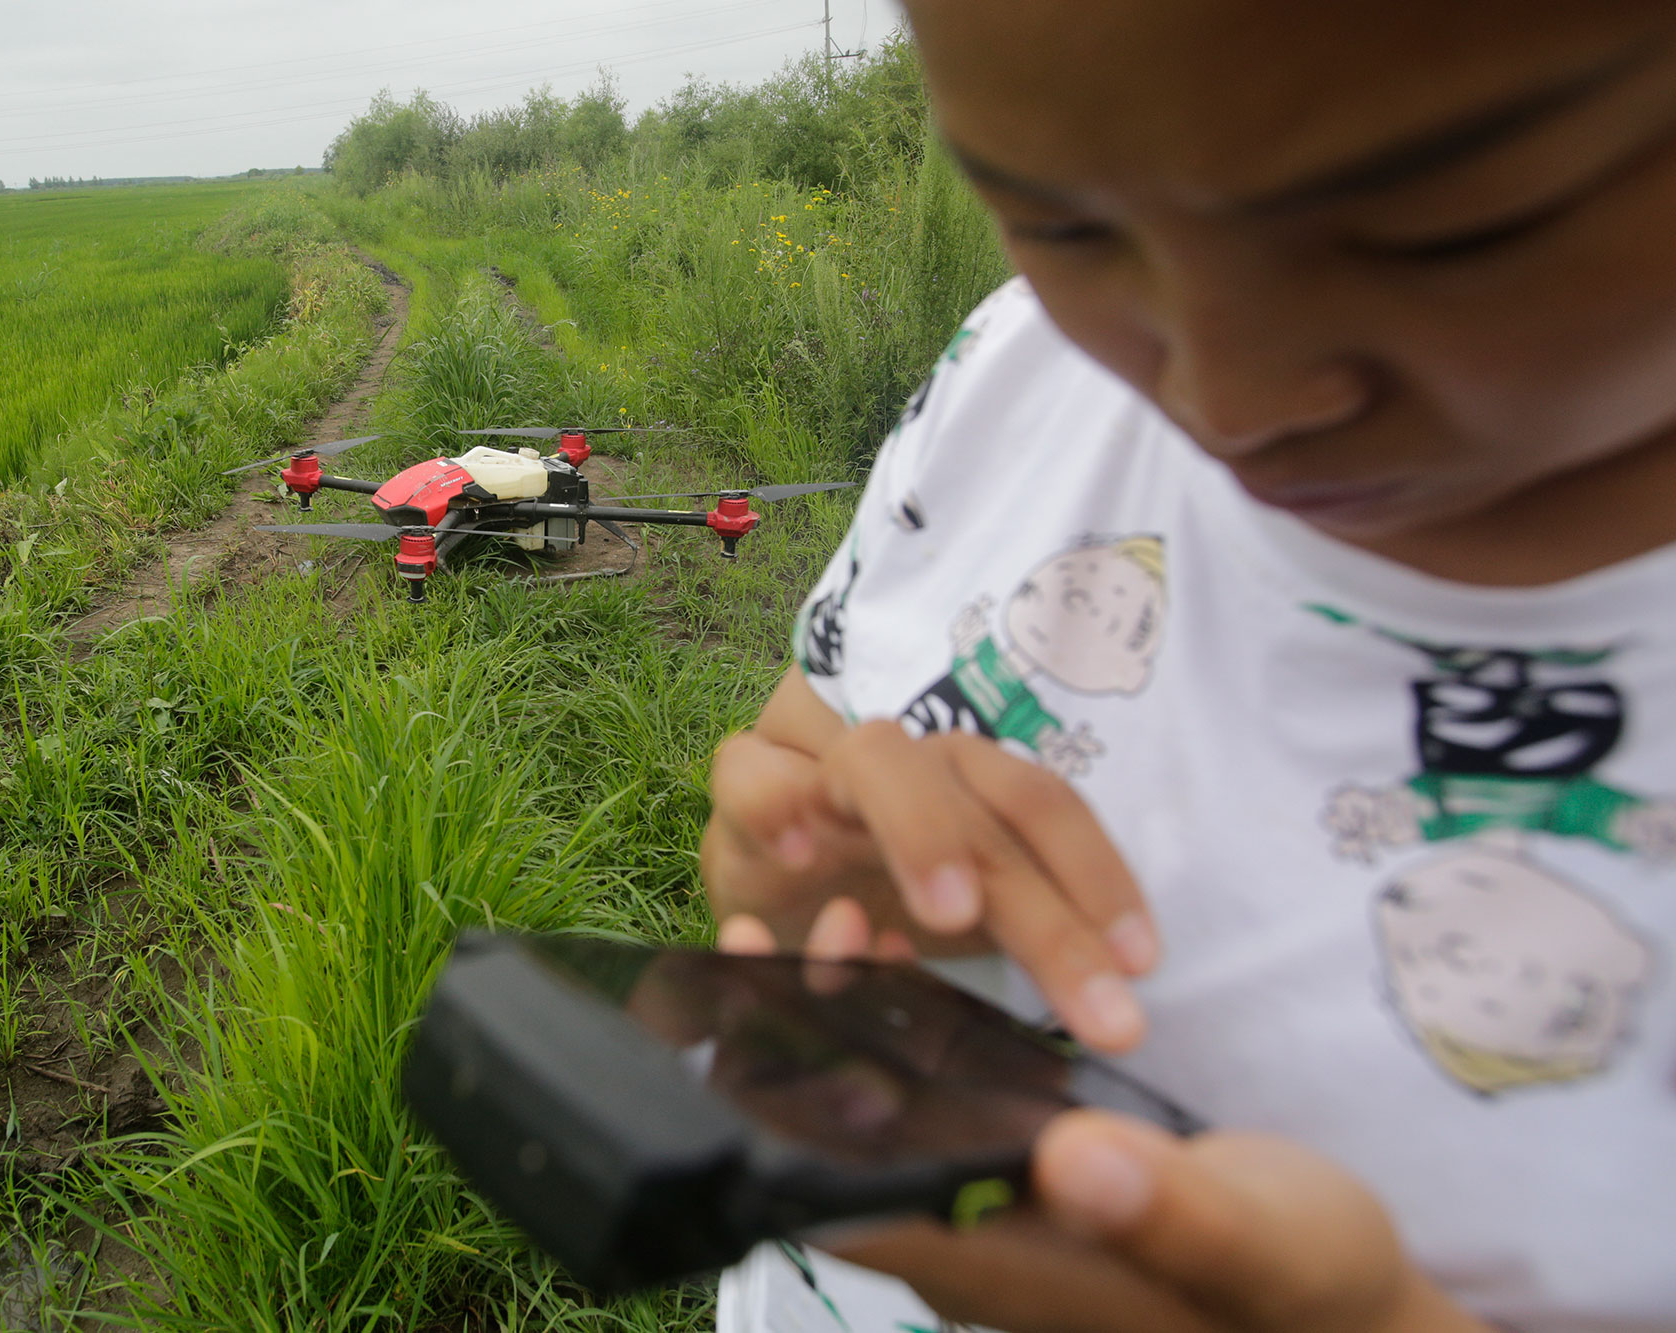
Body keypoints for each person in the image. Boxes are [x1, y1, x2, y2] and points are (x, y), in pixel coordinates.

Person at [701, 2, 1676, 1330]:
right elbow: (803, 751)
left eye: (1446, 229)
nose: (1229, 398)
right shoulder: (1019, 376)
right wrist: (808, 872)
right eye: (1062, 225)